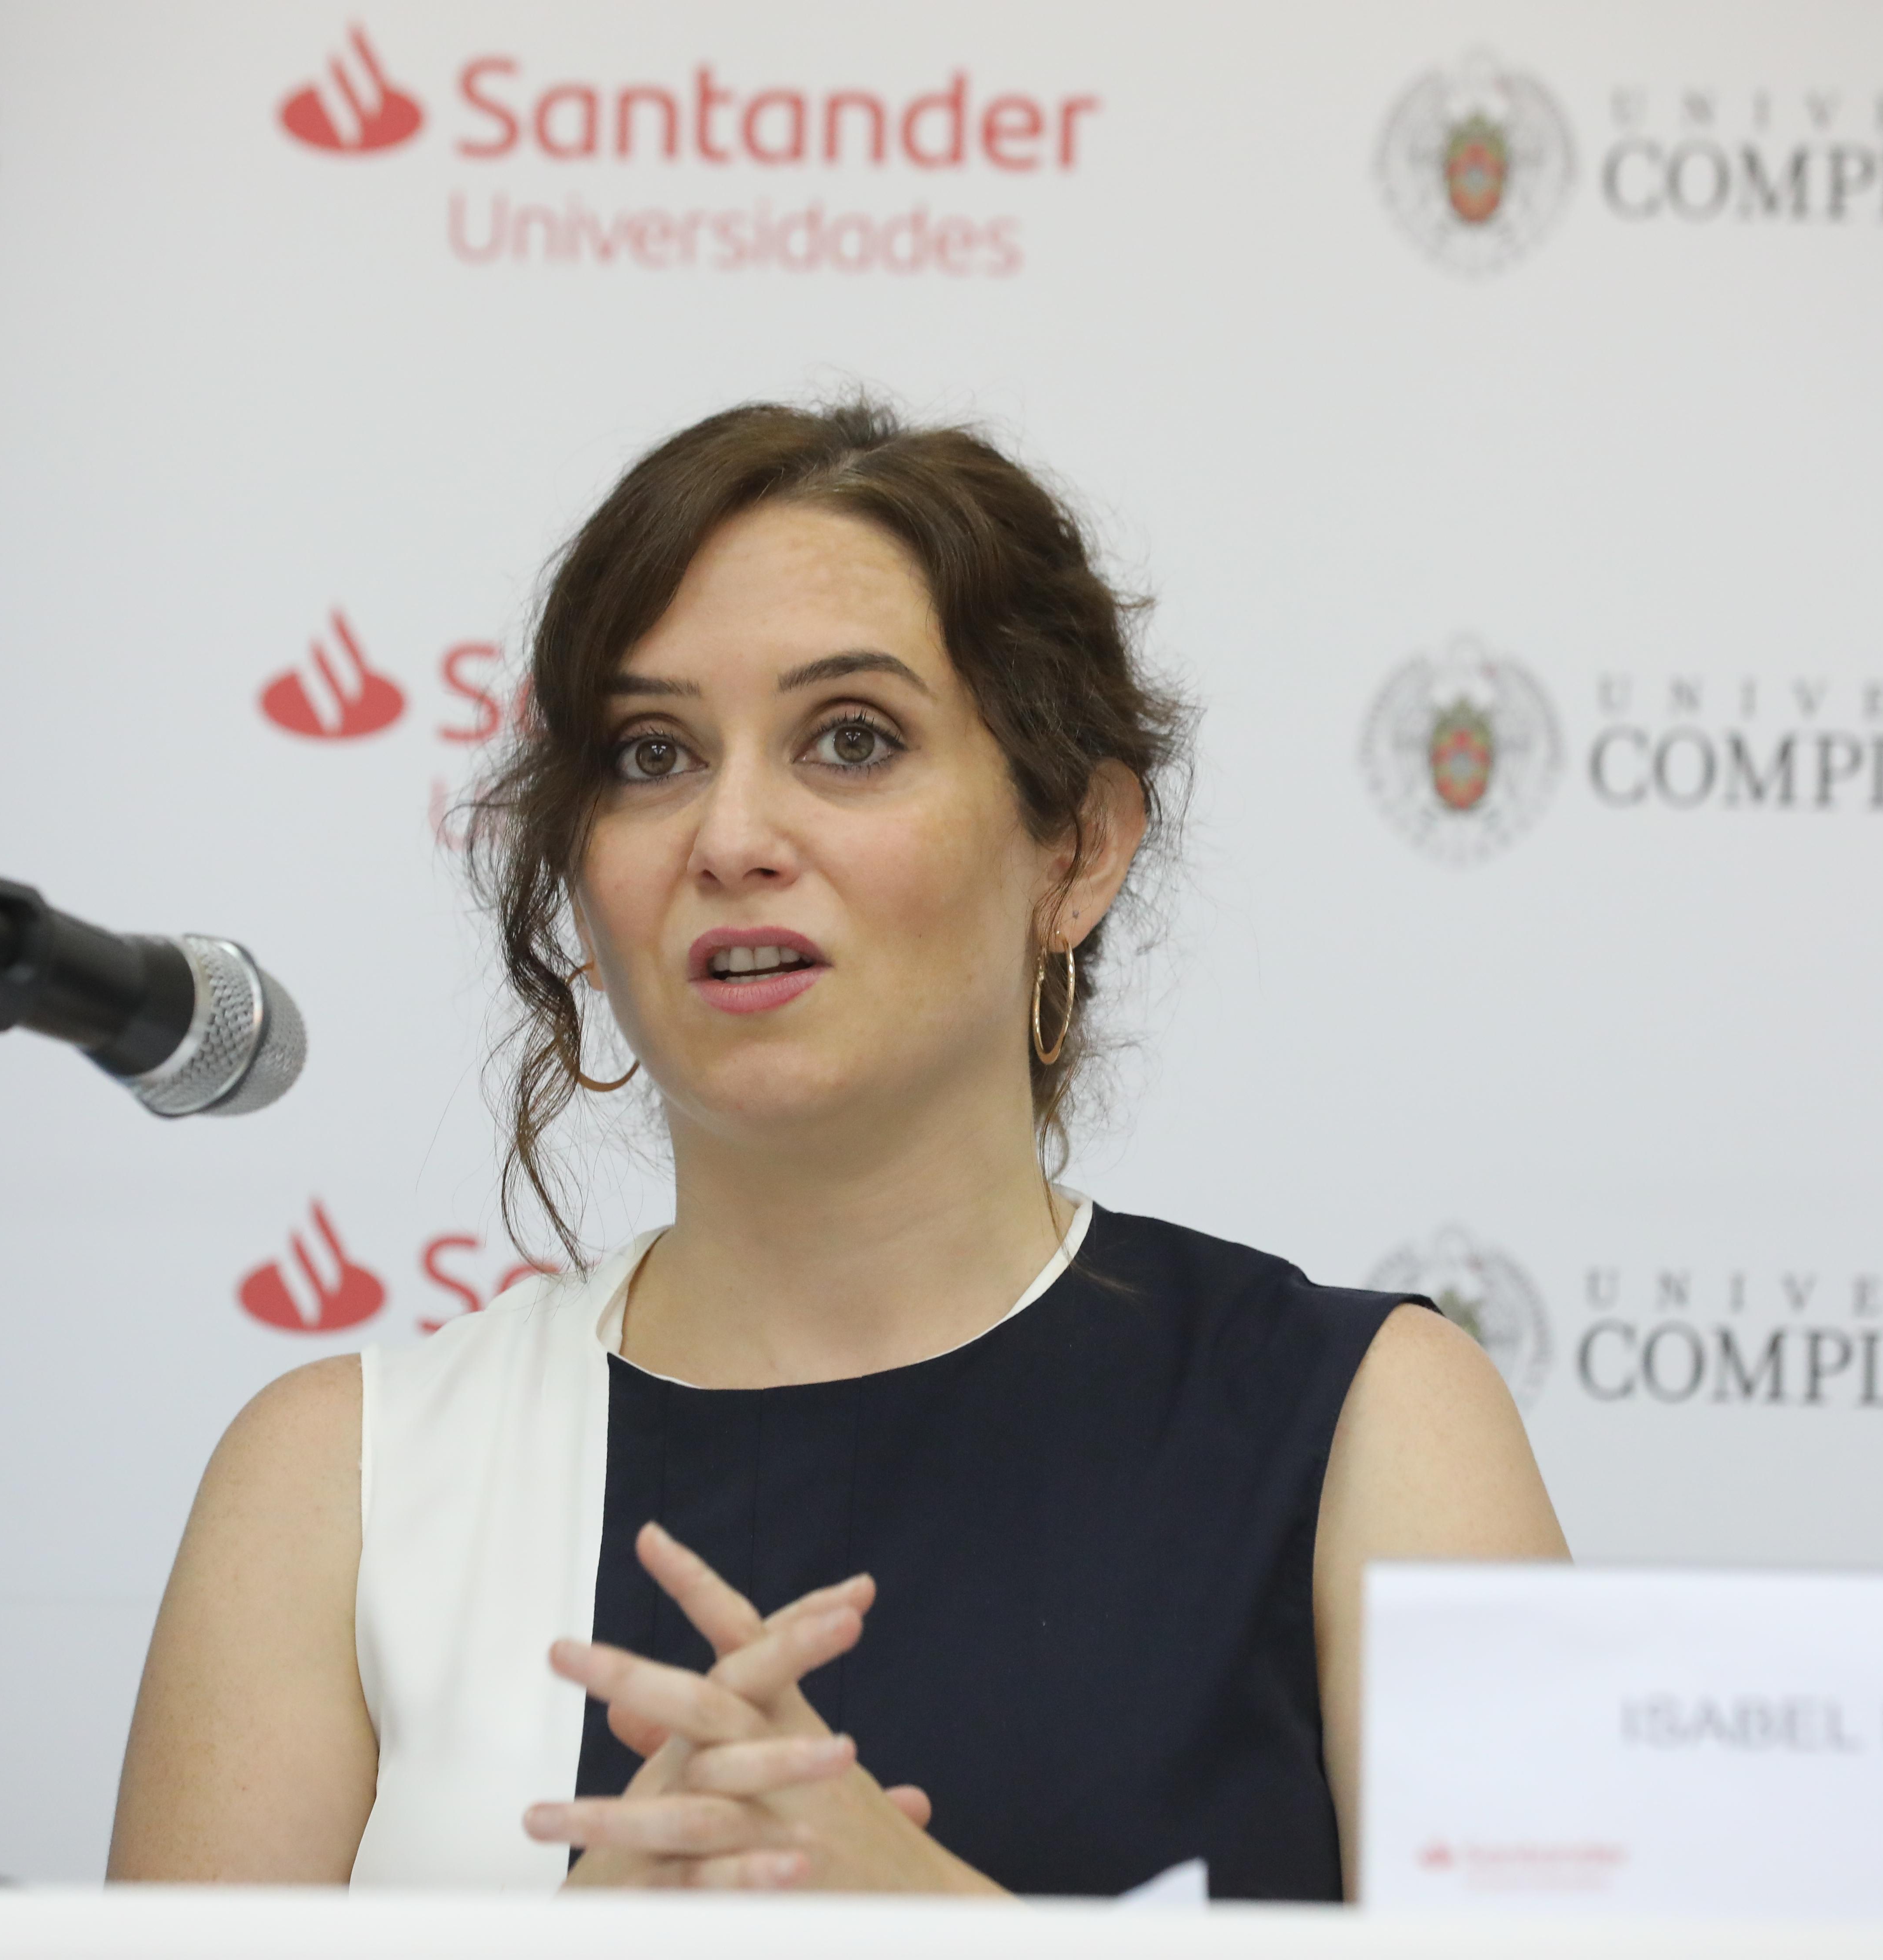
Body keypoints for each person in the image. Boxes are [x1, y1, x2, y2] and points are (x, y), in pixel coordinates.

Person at [107, 399, 1567, 1898]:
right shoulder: (339, 1479)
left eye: (852, 740)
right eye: (652, 752)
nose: (731, 834)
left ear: (1076, 848)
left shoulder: (1363, 1427)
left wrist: (936, 1926)